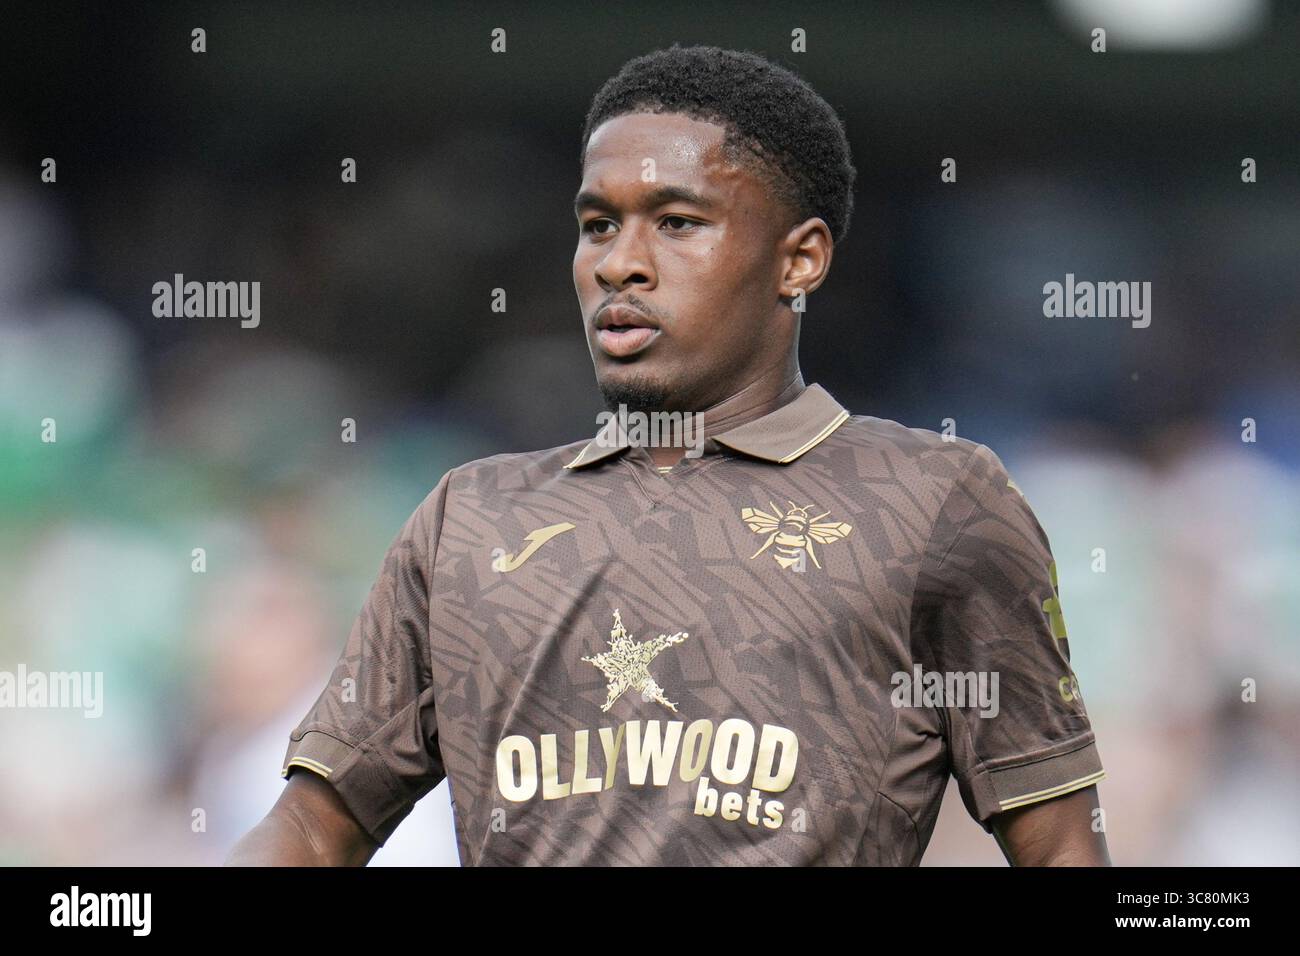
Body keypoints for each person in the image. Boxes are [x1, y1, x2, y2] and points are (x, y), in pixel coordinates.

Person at [228, 44, 1108, 866]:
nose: (621, 264)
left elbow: (1061, 844)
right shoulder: (469, 517)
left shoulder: (936, 503)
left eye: (678, 222)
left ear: (799, 259)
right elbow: (313, 825)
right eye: (599, 225)